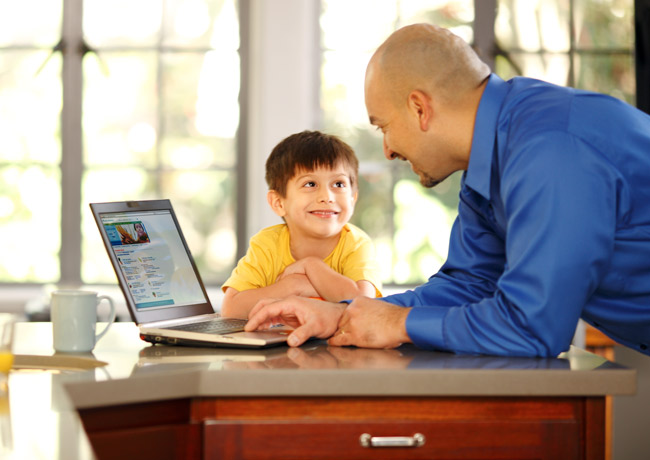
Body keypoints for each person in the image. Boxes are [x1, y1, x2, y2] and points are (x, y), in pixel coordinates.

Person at [244, 23, 650, 358]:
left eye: (383, 125)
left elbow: (532, 327)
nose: (387, 150)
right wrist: (341, 313)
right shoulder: (490, 162)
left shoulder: (550, 150)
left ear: (420, 108)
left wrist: (397, 323)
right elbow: (468, 286)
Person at [220, 130, 382, 319]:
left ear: (352, 199)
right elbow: (231, 309)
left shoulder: (356, 244)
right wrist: (294, 286)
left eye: (338, 184)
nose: (326, 197)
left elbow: (363, 305)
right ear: (279, 203)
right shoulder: (267, 244)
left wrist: (311, 266)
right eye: (310, 184)